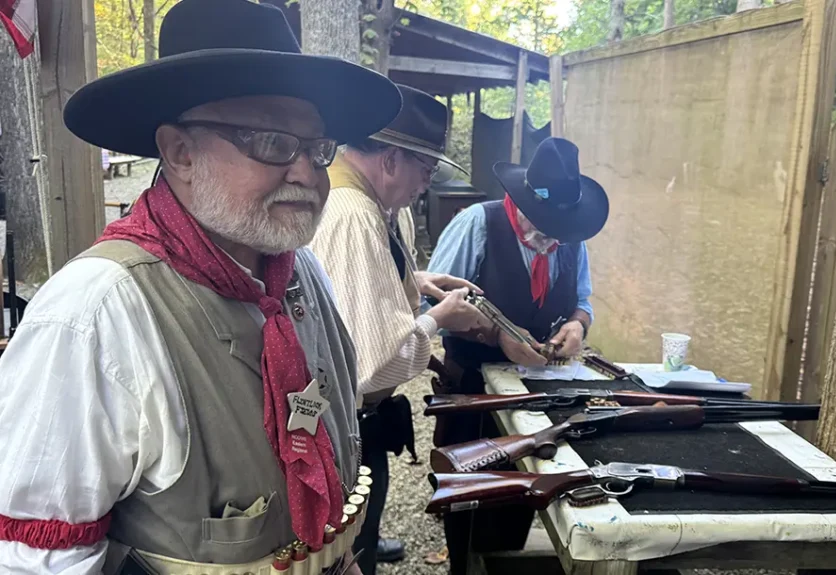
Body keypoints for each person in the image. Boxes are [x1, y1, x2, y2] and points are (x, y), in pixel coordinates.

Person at [0, 1, 402, 573]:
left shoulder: (302, 273)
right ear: (180, 152)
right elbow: (35, 562)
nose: (307, 173)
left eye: (317, 149)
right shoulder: (95, 314)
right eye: (271, 142)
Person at [309, 84, 487, 574]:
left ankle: (367, 538)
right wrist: (439, 319)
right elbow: (371, 362)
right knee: (348, 530)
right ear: (390, 160)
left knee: (368, 503)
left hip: (363, 416)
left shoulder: (381, 206)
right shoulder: (352, 215)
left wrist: (418, 281)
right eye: (425, 170)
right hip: (345, 414)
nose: (426, 184)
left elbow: (362, 283)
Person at [425, 137, 609, 574]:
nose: (557, 232)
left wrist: (577, 325)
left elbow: (582, 299)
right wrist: (495, 335)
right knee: (470, 502)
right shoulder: (477, 223)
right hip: (472, 387)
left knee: (524, 492)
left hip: (537, 394)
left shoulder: (569, 236)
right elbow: (431, 307)